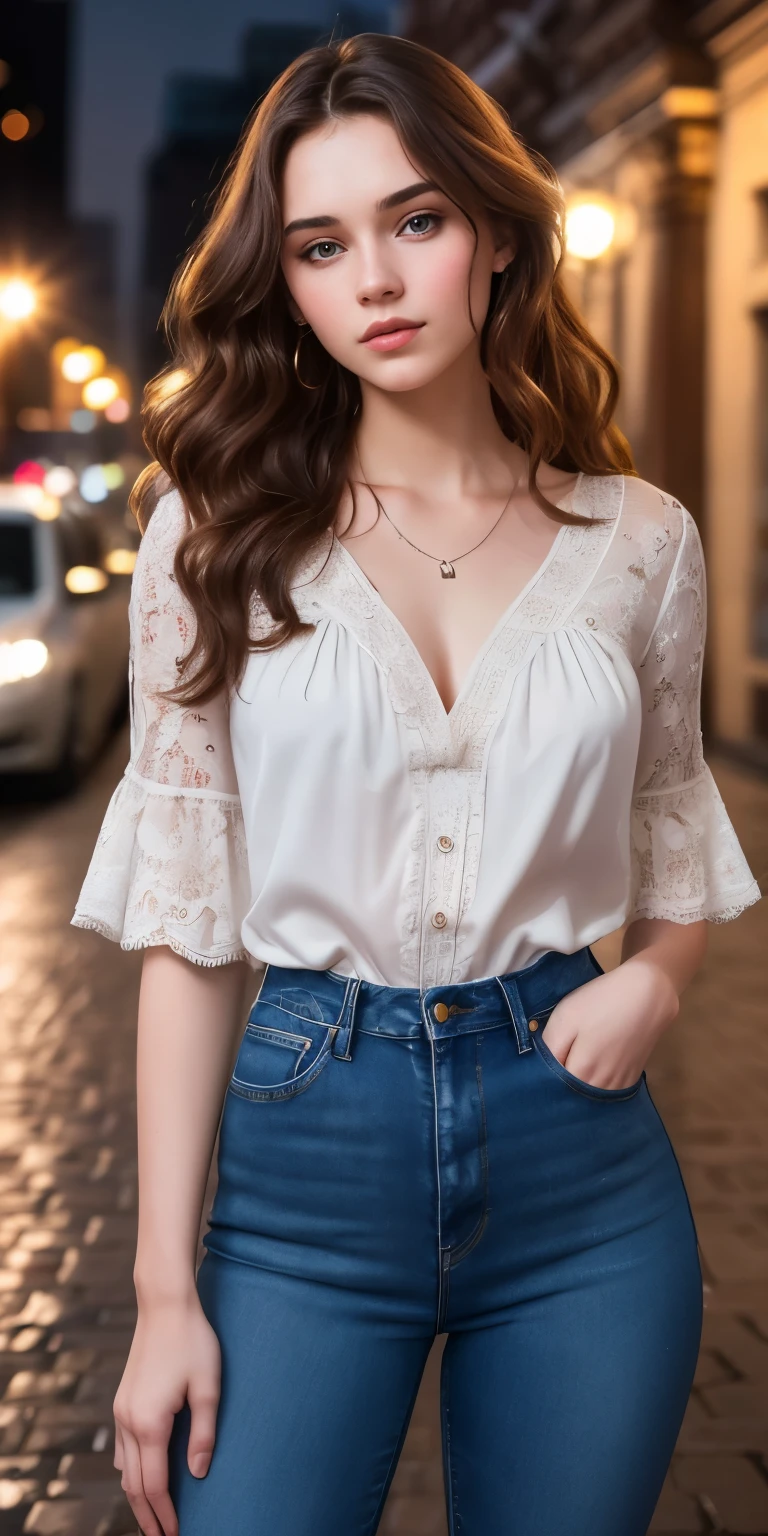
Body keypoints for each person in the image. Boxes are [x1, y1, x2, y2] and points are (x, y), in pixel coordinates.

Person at [72, 32, 762, 1536]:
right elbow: (194, 933)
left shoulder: (637, 541)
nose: (373, 281)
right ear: (288, 281)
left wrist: (656, 984)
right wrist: (161, 1294)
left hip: (584, 1175)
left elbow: (673, 833)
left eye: (416, 222)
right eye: (322, 246)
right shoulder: (214, 534)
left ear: (495, 236)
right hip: (304, 1159)